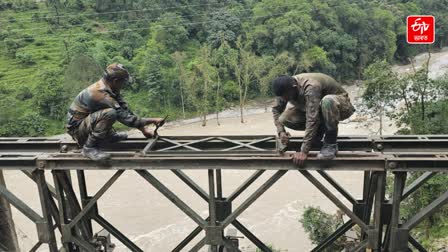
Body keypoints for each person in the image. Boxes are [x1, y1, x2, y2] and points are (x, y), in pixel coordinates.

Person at [66, 63, 165, 161]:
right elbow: (125, 118)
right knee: (110, 113)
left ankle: (109, 136)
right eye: (123, 82)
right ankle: (89, 148)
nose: (123, 85)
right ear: (115, 81)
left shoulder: (110, 88)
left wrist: (143, 129)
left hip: (86, 123)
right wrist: (153, 120)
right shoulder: (100, 94)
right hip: (76, 129)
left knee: (111, 112)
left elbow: (125, 109)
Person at [272, 73, 355, 167]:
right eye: (282, 97)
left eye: (286, 96)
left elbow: (312, 118)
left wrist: (303, 151)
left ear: (294, 88)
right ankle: (319, 132)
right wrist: (281, 132)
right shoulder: (284, 89)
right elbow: (276, 109)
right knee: (284, 118)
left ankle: (331, 143)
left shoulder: (311, 86)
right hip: (317, 109)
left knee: (328, 101)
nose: (284, 99)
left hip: (341, 106)